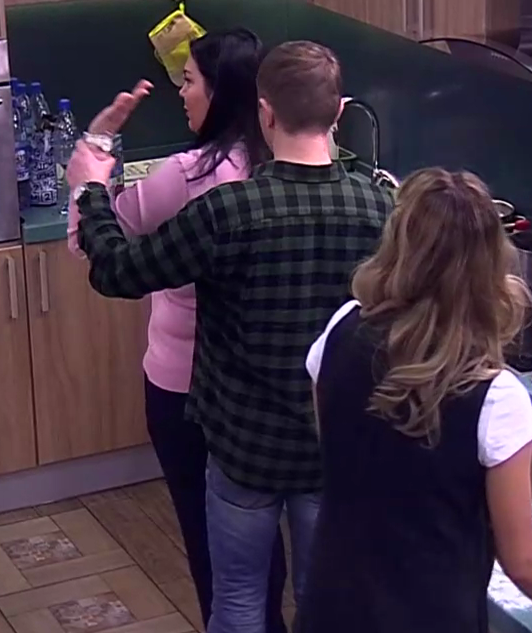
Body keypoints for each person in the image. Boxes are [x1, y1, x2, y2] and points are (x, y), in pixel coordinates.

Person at [66, 41, 395, 633]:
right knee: (329, 605)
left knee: (239, 602)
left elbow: (117, 270)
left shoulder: (228, 211)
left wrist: (90, 190)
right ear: (339, 112)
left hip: (243, 451)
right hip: (332, 451)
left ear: (265, 112)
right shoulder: (381, 209)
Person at [296, 168, 532, 633]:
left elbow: (338, 447)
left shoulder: (340, 329)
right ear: (491, 264)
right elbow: (521, 560)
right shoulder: (496, 399)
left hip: (333, 606)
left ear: (398, 243)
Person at [65, 28, 289, 633]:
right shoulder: (281, 168)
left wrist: (92, 159)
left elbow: (97, 242)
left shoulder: (189, 175)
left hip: (185, 392)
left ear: (220, 92)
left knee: (212, 541)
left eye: (189, 81)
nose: (182, 93)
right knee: (262, 534)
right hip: (268, 389)